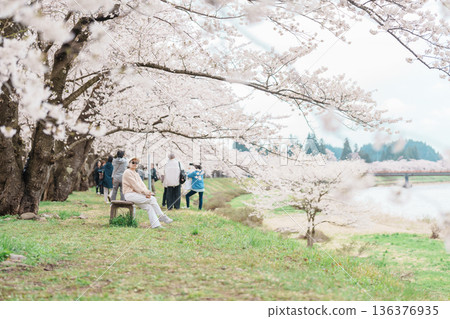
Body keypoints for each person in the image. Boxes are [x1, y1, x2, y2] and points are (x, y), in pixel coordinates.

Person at [122, 158, 172, 228]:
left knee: (149, 207)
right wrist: (145, 193)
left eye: (137, 163)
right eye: (133, 162)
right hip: (129, 194)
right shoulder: (127, 172)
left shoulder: (136, 173)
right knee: (152, 199)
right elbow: (135, 185)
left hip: (136, 195)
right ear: (129, 163)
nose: (135, 164)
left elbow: (142, 185)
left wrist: (147, 192)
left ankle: (156, 225)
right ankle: (161, 216)